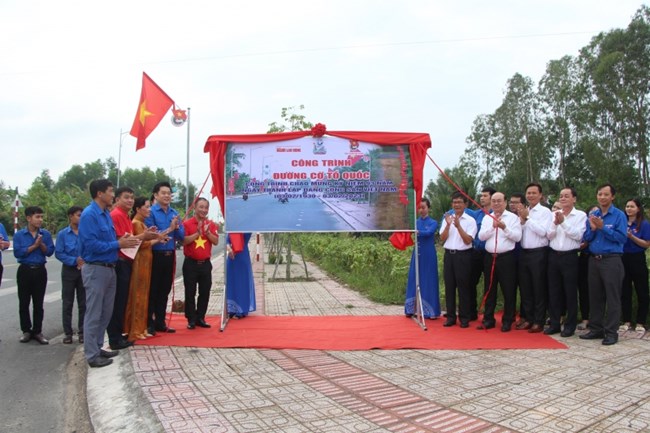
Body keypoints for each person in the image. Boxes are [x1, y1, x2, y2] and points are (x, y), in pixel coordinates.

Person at [79, 179, 140, 368]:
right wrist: (118, 244)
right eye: (111, 191)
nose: (112, 195)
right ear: (99, 193)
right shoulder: (90, 215)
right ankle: (91, 354)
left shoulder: (105, 213)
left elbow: (111, 238)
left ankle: (98, 347)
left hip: (109, 267)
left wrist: (122, 240)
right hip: (96, 268)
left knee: (105, 313)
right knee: (94, 313)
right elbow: (91, 245)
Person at [108, 187, 158, 349]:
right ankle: (115, 338)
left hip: (127, 261)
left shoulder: (125, 217)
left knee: (123, 300)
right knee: (118, 302)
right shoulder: (116, 215)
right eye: (126, 197)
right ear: (117, 200)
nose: (129, 200)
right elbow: (124, 242)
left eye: (131, 197)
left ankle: (119, 335)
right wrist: (144, 237)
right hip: (121, 262)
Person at [580, 183, 627, 345]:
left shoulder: (619, 215)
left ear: (612, 196)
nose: (602, 197)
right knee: (595, 296)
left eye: (606, 194)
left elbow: (622, 238)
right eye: (600, 194)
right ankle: (596, 328)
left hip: (611, 259)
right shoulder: (593, 214)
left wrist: (603, 228)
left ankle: (612, 332)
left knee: (612, 297)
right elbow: (586, 238)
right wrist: (593, 229)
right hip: (594, 259)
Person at [477, 192, 522, 332]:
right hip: (490, 257)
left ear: (505, 202)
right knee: (489, 289)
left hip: (506, 257)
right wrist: (492, 226)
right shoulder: (486, 218)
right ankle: (488, 319)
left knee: (508, 289)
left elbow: (517, 237)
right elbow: (481, 237)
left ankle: (508, 320)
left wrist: (504, 227)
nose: (496, 203)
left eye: (499, 201)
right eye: (494, 201)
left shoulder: (513, 218)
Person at [545, 187, 586, 337]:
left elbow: (578, 236)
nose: (563, 199)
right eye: (561, 196)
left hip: (570, 257)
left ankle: (570, 325)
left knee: (570, 292)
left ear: (574, 199)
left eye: (566, 196)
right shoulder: (554, 214)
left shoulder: (580, 215)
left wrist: (563, 223)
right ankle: (555, 323)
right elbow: (549, 235)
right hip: (554, 256)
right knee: (554, 291)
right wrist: (555, 223)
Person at [145, 181, 185, 334]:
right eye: (163, 193)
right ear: (156, 195)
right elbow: (153, 235)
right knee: (153, 290)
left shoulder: (174, 213)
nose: (167, 196)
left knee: (165, 290)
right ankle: (149, 322)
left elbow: (180, 236)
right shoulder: (151, 213)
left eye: (169, 193)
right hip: (155, 255)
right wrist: (170, 228)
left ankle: (160, 322)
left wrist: (177, 226)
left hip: (170, 256)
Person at [13, 206, 55, 344]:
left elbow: (49, 252)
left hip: (39, 270)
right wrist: (34, 246)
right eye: (37, 217)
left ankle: (37, 331)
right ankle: (26, 331)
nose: (40, 220)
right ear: (29, 218)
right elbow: (18, 253)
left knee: (38, 303)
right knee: (24, 302)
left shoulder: (45, 234)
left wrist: (41, 244)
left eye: (41, 217)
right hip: (25, 270)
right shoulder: (19, 235)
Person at [124, 197, 162, 341]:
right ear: (138, 209)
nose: (149, 209)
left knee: (144, 295)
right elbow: (140, 244)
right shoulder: (135, 223)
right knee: (138, 296)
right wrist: (155, 238)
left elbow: (146, 241)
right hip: (139, 262)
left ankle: (141, 327)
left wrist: (154, 236)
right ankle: (135, 329)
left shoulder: (142, 224)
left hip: (146, 262)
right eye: (146, 206)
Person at [517, 183, 553, 333]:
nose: (530, 195)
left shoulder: (545, 212)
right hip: (524, 252)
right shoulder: (525, 211)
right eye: (528, 193)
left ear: (540, 195)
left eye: (533, 193)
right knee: (526, 288)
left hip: (539, 253)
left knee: (538, 288)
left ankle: (539, 320)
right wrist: (523, 219)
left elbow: (543, 232)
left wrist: (528, 219)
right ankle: (529, 318)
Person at [440, 192, 477, 328]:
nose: (456, 205)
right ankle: (450, 317)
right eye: (454, 202)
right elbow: (442, 238)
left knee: (464, 287)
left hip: (464, 256)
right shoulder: (447, 219)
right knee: (449, 286)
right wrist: (449, 225)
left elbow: (468, 240)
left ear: (465, 205)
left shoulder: (470, 220)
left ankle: (464, 317)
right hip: (449, 255)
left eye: (459, 202)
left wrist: (458, 226)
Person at [183, 198, 219, 329]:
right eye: (201, 207)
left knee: (205, 291)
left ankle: (200, 317)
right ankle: (191, 319)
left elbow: (215, 241)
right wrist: (197, 233)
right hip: (190, 264)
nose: (203, 210)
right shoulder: (187, 224)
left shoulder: (211, 224)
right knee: (190, 292)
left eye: (206, 207)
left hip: (205, 264)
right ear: (194, 208)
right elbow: (184, 241)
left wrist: (207, 232)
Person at [54, 206, 86, 344]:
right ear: (71, 216)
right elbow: (59, 253)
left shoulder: (86, 232)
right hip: (69, 270)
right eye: (79, 215)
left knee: (83, 303)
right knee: (67, 302)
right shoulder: (63, 234)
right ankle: (68, 333)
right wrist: (74, 261)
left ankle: (83, 332)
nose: (81, 218)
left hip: (84, 270)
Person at [404, 198, 440, 319]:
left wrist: (417, 232)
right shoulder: (415, 222)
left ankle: (431, 311)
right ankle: (411, 309)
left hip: (428, 255)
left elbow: (429, 232)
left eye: (423, 207)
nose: (421, 210)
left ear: (428, 208)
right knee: (414, 278)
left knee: (428, 279)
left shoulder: (433, 222)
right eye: (419, 208)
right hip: (417, 254)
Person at [619, 198, 650, 333]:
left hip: (637, 258)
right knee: (625, 291)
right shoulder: (622, 222)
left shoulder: (643, 224)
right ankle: (626, 320)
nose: (629, 209)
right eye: (627, 206)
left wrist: (632, 237)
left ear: (638, 209)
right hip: (623, 258)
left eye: (632, 206)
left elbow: (646, 244)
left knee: (642, 291)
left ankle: (640, 322)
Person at [467, 187, 495, 321]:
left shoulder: (496, 214)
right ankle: (471, 312)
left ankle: (488, 315)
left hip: (490, 253)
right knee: (471, 282)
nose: (482, 198)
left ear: (492, 197)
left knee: (489, 285)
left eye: (485, 195)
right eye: (481, 196)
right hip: (476, 252)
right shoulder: (476, 214)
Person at [226, 233, 256, 318]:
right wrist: (229, 248)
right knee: (231, 282)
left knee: (242, 283)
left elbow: (244, 240)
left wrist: (235, 250)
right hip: (231, 258)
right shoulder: (231, 228)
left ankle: (241, 310)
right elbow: (227, 240)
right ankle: (231, 309)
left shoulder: (246, 228)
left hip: (242, 256)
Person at [508, 192, 526, 327]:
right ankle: (510, 315)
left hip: (524, 256)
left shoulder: (526, 217)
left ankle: (525, 316)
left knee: (524, 288)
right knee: (510, 287)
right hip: (509, 256)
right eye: (511, 202)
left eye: (516, 202)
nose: (513, 205)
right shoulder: (507, 218)